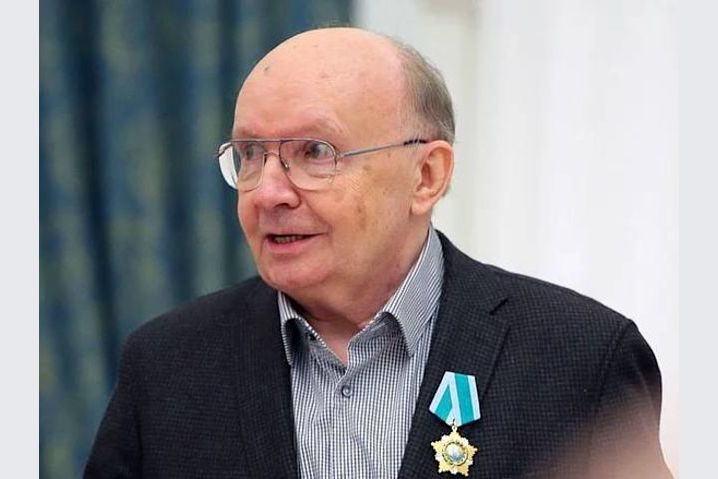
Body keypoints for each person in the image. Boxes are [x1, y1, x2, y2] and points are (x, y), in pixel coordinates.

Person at [85, 27, 672, 478]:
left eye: (315, 152)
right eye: (250, 155)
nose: (267, 191)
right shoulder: (167, 366)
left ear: (426, 175)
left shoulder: (580, 360)